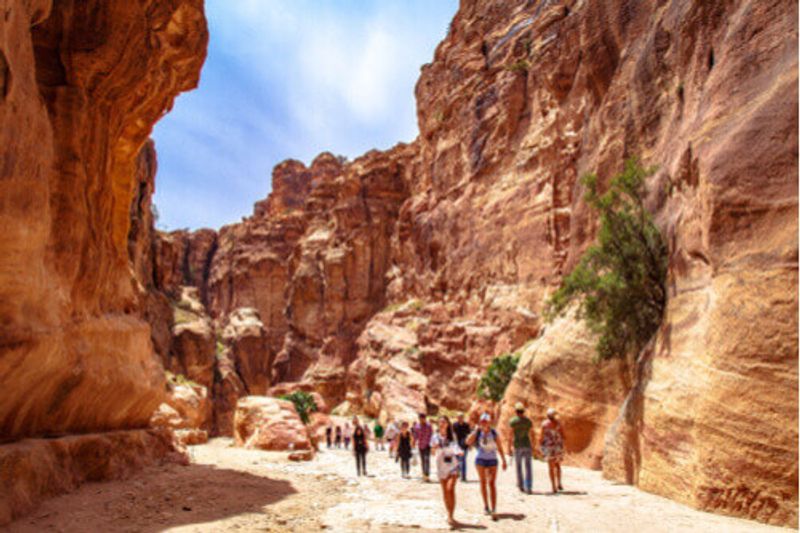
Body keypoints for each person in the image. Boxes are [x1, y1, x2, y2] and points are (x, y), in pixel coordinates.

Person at [466, 412, 507, 518]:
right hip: (480, 459)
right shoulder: (478, 432)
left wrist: (503, 460)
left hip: (492, 460)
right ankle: (486, 506)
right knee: (483, 482)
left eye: (486, 421)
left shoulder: (493, 433)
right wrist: (476, 431)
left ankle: (494, 508)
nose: (484, 423)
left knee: (492, 483)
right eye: (482, 421)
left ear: (489, 422)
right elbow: (468, 442)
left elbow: (499, 446)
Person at [432, 416, 463, 527]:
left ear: (448, 424)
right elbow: (432, 450)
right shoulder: (435, 436)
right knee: (445, 492)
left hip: (453, 465)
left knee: (450, 488)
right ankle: (449, 515)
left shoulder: (452, 436)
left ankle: (451, 515)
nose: (442, 424)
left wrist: (459, 452)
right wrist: (435, 447)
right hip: (441, 465)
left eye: (444, 422)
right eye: (440, 422)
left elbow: (456, 447)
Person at [509, 402, 535, 493]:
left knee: (519, 466)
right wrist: (534, 446)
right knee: (528, 466)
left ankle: (521, 485)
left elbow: (510, 435)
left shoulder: (513, 421)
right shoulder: (528, 421)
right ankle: (529, 486)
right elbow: (532, 434)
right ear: (523, 411)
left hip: (518, 445)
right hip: (527, 445)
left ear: (516, 411)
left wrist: (509, 447)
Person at [540, 407, 565, 493]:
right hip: (557, 446)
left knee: (550, 467)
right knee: (558, 465)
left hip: (549, 447)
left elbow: (541, 436)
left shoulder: (544, 424)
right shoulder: (559, 424)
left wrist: (540, 445)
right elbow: (563, 435)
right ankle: (559, 483)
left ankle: (553, 487)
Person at [413, 413, 434, 481]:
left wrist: (433, 444)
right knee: (422, 460)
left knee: (427, 459)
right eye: (420, 418)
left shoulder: (429, 426)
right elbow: (415, 435)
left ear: (425, 418)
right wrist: (413, 442)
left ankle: (427, 475)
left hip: (428, 445)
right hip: (420, 445)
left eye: (423, 418)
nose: (421, 420)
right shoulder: (417, 426)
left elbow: (432, 435)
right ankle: (424, 474)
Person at [452, 414, 471, 482]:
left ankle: (463, 476)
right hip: (457, 445)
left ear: (463, 418)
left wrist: (469, 444)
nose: (460, 418)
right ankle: (458, 473)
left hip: (464, 445)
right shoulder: (455, 425)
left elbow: (469, 435)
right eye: (458, 417)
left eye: (461, 417)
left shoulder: (466, 425)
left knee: (463, 460)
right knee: (457, 460)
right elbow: (453, 434)